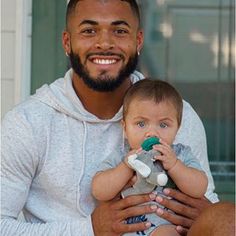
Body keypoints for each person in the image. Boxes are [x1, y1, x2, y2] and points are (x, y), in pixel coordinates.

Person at [1, 0, 218, 235]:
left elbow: (207, 204)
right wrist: (90, 228)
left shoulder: (174, 115)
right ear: (67, 42)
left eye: (120, 31)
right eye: (89, 31)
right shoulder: (28, 123)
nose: (105, 43)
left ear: (138, 41)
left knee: (227, 219)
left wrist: (207, 213)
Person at [92, 79, 208, 236]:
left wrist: (174, 166)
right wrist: (126, 167)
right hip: (130, 227)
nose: (152, 133)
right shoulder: (122, 156)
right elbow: (99, 191)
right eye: (141, 124)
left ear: (177, 129)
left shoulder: (180, 154)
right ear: (125, 128)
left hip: (167, 226)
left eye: (163, 125)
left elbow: (199, 187)